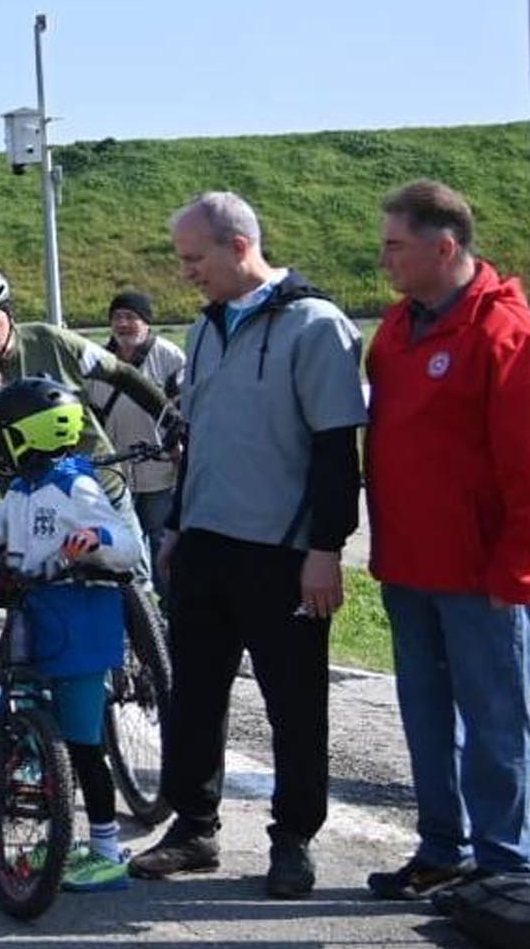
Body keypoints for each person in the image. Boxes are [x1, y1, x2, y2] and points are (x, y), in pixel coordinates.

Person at [130, 193, 367, 898]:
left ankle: (293, 837)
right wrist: (175, 525)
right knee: (194, 694)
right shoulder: (203, 331)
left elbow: (335, 450)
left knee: (294, 703)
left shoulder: (315, 326)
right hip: (205, 542)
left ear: (238, 247)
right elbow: (195, 437)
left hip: (284, 553)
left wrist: (327, 548)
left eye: (194, 258)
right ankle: (194, 827)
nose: (187, 273)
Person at [360, 181, 530, 898]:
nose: (384, 258)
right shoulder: (396, 329)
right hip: (409, 566)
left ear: (444, 247)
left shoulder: (508, 334)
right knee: (428, 718)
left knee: (497, 723)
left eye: (394, 245)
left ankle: (507, 865)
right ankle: (443, 846)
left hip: (483, 576)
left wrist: (523, 567)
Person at [0, 376, 143, 891]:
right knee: (33, 718)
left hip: (80, 624)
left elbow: (126, 546)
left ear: (25, 436)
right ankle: (49, 813)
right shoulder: (25, 491)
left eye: (5, 434)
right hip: (39, 618)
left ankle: (105, 851)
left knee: (83, 743)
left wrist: (97, 537)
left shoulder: (74, 486)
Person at [0, 267, 172, 504]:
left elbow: (122, 375)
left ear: (8, 313)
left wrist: (172, 422)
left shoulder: (50, 340)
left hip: (99, 486)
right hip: (29, 500)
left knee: (127, 547)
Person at [95, 290, 188, 551]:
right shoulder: (97, 360)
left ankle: (168, 593)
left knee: (163, 543)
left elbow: (186, 411)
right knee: (120, 545)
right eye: (117, 317)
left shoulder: (170, 357)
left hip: (161, 472)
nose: (122, 324)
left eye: (130, 317)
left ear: (146, 322)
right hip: (113, 472)